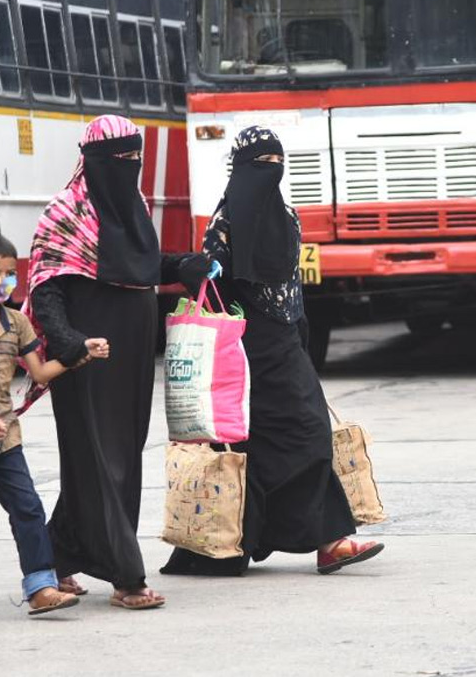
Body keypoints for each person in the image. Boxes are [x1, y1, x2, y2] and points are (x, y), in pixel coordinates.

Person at [161, 126, 384, 577]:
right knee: (258, 445)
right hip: (239, 355)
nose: (269, 173)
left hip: (283, 343)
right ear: (240, 169)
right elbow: (214, 289)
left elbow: (289, 287)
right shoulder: (224, 223)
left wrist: (301, 339)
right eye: (259, 165)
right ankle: (237, 544)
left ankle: (328, 540)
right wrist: (201, 269)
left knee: (308, 431)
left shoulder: (286, 216)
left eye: (275, 164)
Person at [24, 115, 210, 610]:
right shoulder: (64, 211)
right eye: (120, 160)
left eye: (136, 158)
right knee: (105, 461)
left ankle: (57, 555)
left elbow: (139, 265)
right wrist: (67, 342)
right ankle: (127, 577)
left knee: (111, 459)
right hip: (87, 355)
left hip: (132, 355)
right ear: (93, 160)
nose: (129, 168)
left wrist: (181, 265)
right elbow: (46, 286)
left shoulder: (134, 204)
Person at [0, 232, 110, 620]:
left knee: (28, 510)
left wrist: (82, 354)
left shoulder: (18, 325)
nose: (3, 281)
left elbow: (40, 371)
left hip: (6, 440)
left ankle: (41, 587)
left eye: (10, 274)